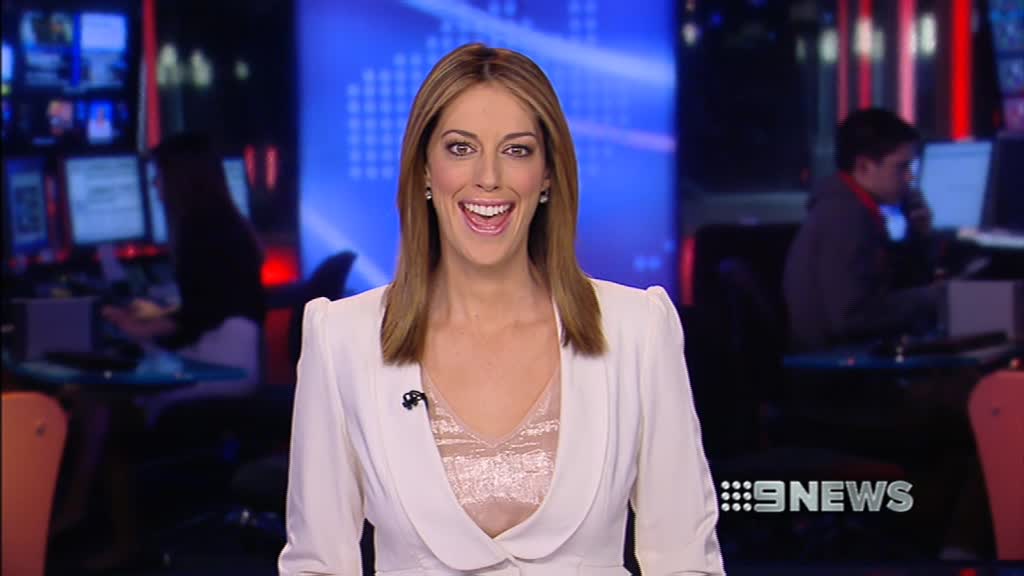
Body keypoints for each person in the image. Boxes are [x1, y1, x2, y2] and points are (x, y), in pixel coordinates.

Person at [279, 44, 724, 575]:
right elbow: (318, 565)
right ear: (424, 171)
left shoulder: (637, 330)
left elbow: (684, 559)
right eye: (460, 148)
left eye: (516, 150)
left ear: (548, 174)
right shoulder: (343, 339)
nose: (488, 176)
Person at [783, 108, 945, 352]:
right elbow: (852, 316)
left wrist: (919, 238)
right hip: (839, 363)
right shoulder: (845, 217)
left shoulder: (853, 209)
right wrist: (935, 297)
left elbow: (891, 287)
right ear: (864, 166)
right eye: (901, 167)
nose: (910, 178)